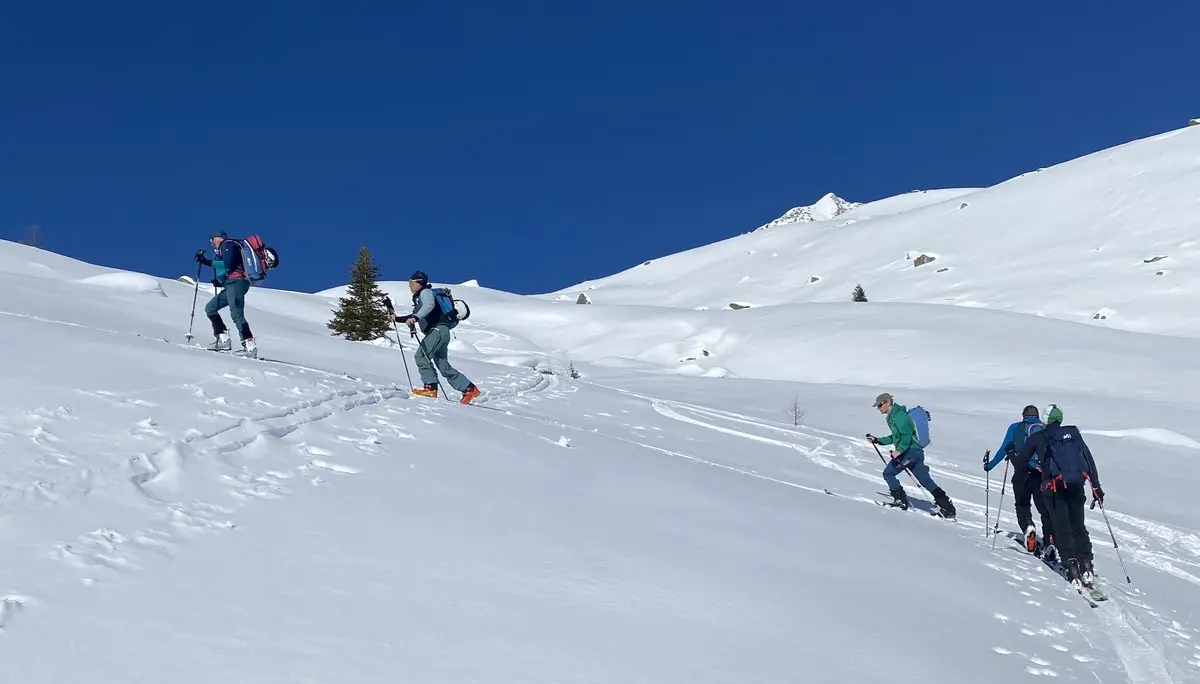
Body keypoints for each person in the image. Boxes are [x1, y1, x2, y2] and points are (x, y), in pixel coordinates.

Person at [1017, 405, 1106, 588]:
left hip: (1053, 488)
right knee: (1078, 526)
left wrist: (1012, 452)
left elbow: (1020, 463)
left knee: (1062, 527)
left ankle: (1071, 566)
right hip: (1076, 486)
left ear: (1045, 419)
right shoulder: (1073, 436)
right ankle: (1086, 565)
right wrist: (1096, 487)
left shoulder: (1038, 437)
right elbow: (1089, 461)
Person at [867, 392, 957, 518]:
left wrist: (899, 451)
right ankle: (947, 508)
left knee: (888, 473)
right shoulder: (894, 416)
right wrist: (878, 440)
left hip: (909, 453)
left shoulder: (899, 416)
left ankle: (900, 501)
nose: (879, 408)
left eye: (880, 405)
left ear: (888, 402)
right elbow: (895, 437)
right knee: (925, 480)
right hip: (915, 453)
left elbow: (907, 435)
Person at [397, 270, 481, 404]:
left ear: (418, 283)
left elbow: (428, 306)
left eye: (411, 283)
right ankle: (469, 388)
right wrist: (397, 318)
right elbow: (416, 315)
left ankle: (430, 388)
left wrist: (415, 317)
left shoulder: (426, 293)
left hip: (437, 330)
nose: (409, 286)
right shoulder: (421, 298)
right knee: (443, 365)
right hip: (441, 331)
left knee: (421, 356)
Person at [985, 405, 1055, 559]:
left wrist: (990, 465)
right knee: (1044, 509)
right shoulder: (1045, 430)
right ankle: (1050, 538)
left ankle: (1028, 527)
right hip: (1041, 475)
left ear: (1023, 415)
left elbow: (1004, 448)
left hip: (1021, 474)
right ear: (1037, 416)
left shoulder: (1015, 428)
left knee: (1022, 505)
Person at [195, 230, 257, 358]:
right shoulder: (227, 247)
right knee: (210, 308)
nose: (212, 242)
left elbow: (229, 264)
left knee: (236, 313)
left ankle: (250, 347)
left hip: (237, 282)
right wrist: (220, 281)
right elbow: (229, 267)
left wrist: (207, 262)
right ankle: (223, 339)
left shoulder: (227, 245)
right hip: (232, 283)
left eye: (212, 239)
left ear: (218, 237)